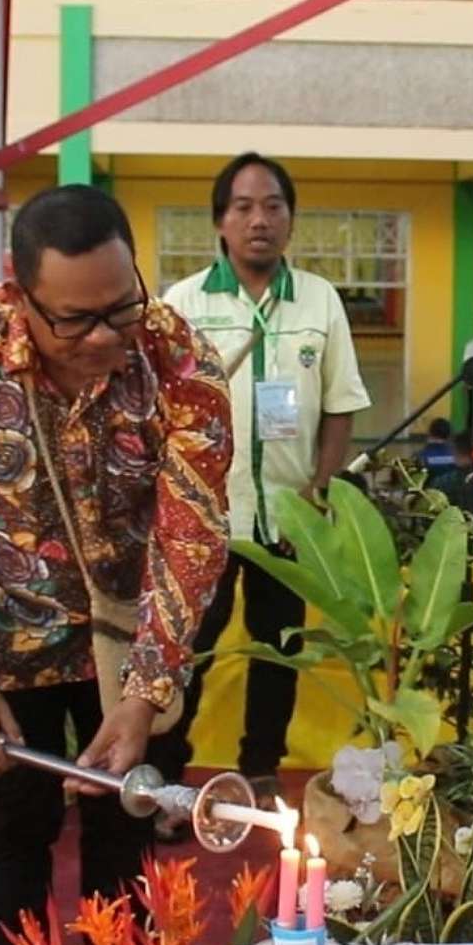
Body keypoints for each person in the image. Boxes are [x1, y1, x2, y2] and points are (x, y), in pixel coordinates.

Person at [0, 185, 232, 945]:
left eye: (122, 307)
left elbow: (190, 535)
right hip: (4, 646)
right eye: (74, 320)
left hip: (136, 642)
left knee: (125, 834)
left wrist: (144, 695)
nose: (104, 336)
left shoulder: (180, 360)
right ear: (19, 293)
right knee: (14, 834)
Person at [155, 153, 370, 809]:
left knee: (280, 653)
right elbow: (155, 409)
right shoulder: (183, 303)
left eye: (273, 206)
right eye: (244, 207)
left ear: (290, 219)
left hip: (287, 518)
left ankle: (260, 774)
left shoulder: (319, 300)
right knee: (191, 651)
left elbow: (340, 404)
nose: (260, 220)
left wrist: (320, 488)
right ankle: (168, 780)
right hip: (205, 521)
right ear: (220, 221)